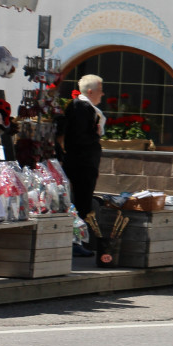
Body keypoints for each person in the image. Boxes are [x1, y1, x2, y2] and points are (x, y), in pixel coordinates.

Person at [62, 74, 106, 255]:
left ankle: (79, 242)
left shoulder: (85, 108)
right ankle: (77, 243)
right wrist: (94, 137)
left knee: (82, 201)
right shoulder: (81, 108)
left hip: (83, 162)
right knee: (81, 203)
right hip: (81, 163)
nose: (102, 94)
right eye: (100, 91)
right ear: (90, 91)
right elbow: (79, 137)